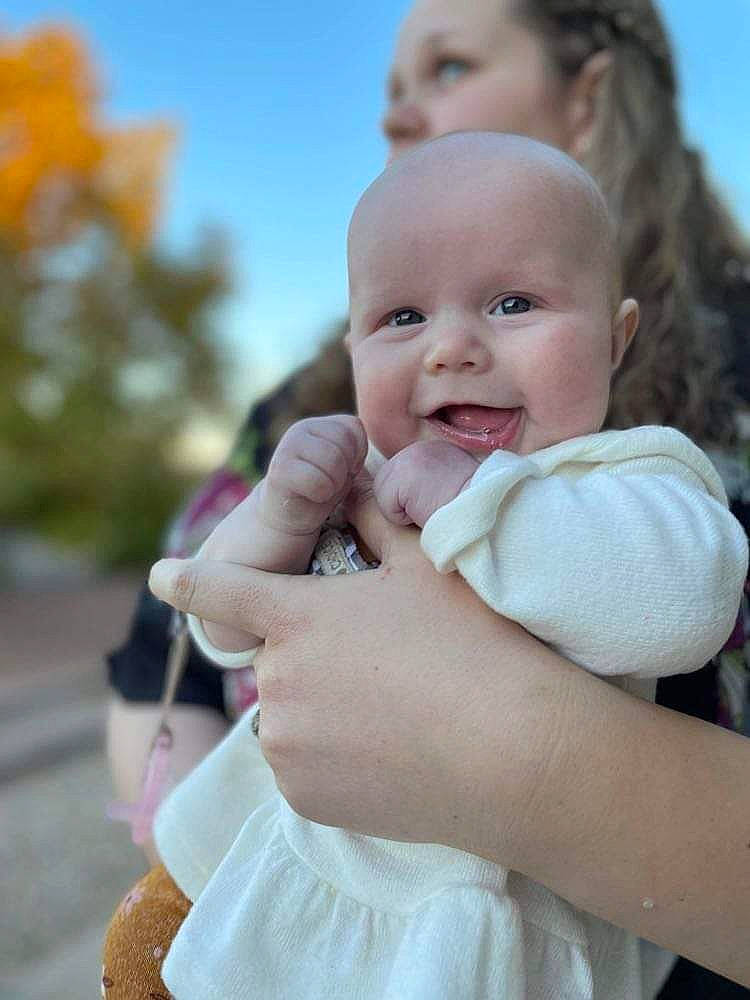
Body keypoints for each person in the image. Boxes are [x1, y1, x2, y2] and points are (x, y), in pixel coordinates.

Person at [105, 0, 750, 992]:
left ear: (617, 341)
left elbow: (677, 606)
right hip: (289, 897)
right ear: (359, 345)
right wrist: (279, 517)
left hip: (491, 942)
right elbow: (211, 620)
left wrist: (477, 501)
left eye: (512, 302)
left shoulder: (630, 475)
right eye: (403, 316)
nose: (452, 345)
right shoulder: (348, 461)